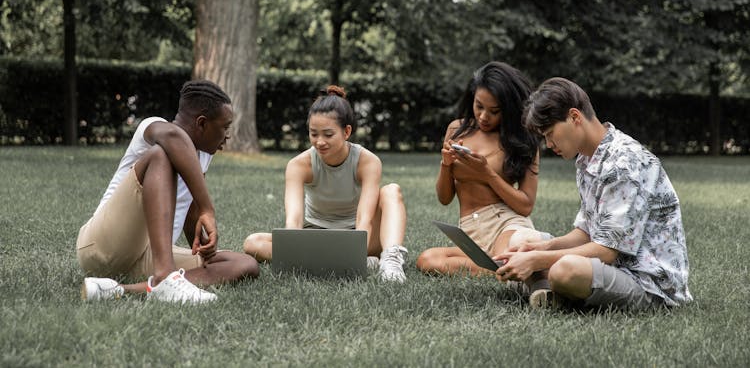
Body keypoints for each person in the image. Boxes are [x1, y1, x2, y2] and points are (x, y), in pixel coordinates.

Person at [495, 77, 692, 310]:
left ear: (575, 117)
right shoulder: (588, 158)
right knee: (521, 238)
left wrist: (537, 260)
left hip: (648, 283)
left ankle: (547, 287)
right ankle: (549, 292)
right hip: (612, 268)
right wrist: (538, 249)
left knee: (565, 270)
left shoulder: (623, 163)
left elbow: (606, 252)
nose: (548, 144)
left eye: (549, 133)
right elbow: (587, 233)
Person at [76, 80, 259, 304]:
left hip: (149, 258)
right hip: (102, 247)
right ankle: (165, 277)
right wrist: (207, 209)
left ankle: (121, 290)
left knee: (244, 264)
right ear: (202, 123)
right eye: (225, 127)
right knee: (160, 156)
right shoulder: (155, 127)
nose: (227, 136)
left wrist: (205, 249)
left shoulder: (202, 156)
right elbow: (175, 138)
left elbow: (190, 212)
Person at [243, 85, 409, 282]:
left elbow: (365, 217)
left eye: (328, 135)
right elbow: (294, 221)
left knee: (391, 190)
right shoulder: (299, 165)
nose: (320, 141)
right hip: (315, 237)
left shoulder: (368, 161)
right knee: (253, 243)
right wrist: (293, 246)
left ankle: (390, 262)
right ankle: (353, 262)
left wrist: (356, 250)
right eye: (314, 134)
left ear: (347, 132)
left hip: (358, 238)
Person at [416, 62, 546, 276]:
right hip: (470, 232)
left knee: (506, 253)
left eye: (494, 111)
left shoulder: (523, 140)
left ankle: (507, 265)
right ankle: (501, 269)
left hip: (506, 224)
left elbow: (525, 205)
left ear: (509, 108)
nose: (484, 116)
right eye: (479, 106)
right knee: (427, 260)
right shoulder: (456, 129)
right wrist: (446, 165)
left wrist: (487, 174)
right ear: (472, 100)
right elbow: (444, 198)